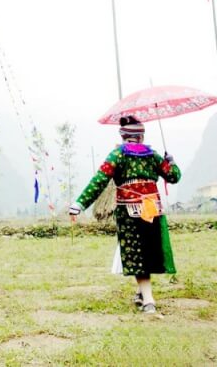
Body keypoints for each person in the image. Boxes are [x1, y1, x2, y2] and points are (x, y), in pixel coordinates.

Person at [69, 116, 180, 315]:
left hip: (130, 211)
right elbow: (173, 177)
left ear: (123, 136)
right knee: (149, 250)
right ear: (141, 135)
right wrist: (171, 162)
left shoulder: (117, 155)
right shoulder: (153, 155)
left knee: (137, 254)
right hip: (152, 208)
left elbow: (99, 180)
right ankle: (141, 292)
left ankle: (148, 300)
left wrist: (80, 203)